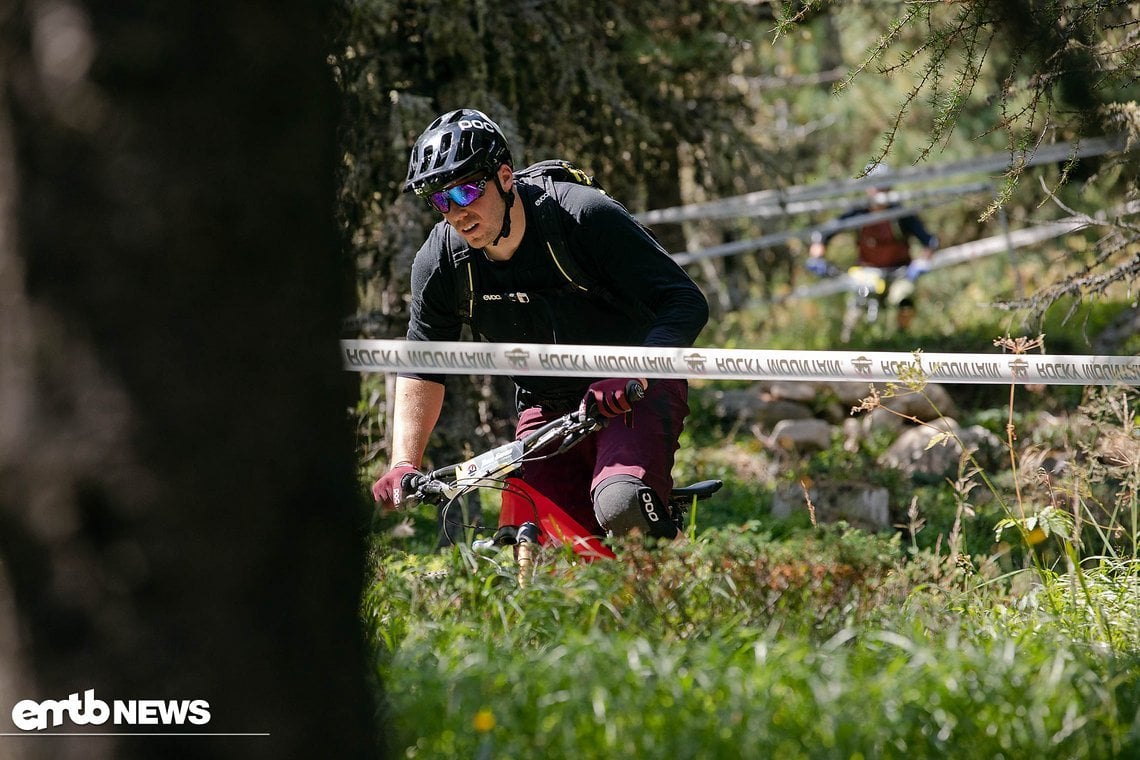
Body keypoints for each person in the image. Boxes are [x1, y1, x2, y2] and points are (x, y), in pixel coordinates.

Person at [370, 108, 709, 542]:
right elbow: (423, 362)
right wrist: (404, 462)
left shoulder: (583, 217)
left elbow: (685, 300)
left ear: (505, 178)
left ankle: (671, 572)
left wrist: (635, 368)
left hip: (633, 389)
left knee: (622, 505)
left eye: (467, 191)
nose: (456, 213)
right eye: (440, 200)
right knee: (539, 542)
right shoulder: (441, 262)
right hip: (547, 406)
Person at [806, 162, 939, 329]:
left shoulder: (901, 215)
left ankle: (902, 343)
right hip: (866, 273)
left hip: (899, 273)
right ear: (867, 187)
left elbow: (930, 241)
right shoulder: (858, 213)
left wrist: (921, 263)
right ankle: (850, 342)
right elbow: (824, 233)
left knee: (904, 301)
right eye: (875, 185)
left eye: (884, 185)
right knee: (857, 304)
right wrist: (817, 253)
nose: (880, 189)